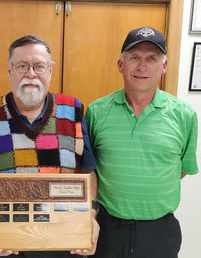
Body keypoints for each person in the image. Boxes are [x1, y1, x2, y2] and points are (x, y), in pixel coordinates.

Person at [0, 34, 100, 258]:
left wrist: (89, 217)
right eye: (22, 66)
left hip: (62, 244)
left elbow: (89, 170)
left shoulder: (73, 111)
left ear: (50, 71)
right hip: (2, 245)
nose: (31, 74)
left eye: (39, 66)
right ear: (9, 71)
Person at [85, 26, 199, 258]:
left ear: (164, 66)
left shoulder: (184, 115)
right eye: (134, 57)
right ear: (121, 64)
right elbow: (89, 169)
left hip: (159, 231)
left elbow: (181, 169)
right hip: (107, 229)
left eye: (152, 58)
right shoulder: (96, 111)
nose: (142, 67)